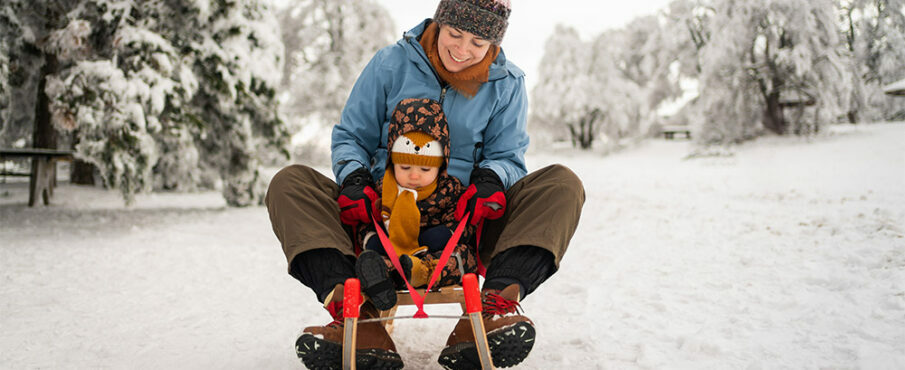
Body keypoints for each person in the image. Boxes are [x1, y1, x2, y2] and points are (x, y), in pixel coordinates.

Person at [265, 0, 585, 368]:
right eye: (455, 33)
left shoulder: (507, 84)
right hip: (378, 216)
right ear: (440, 21)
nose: (463, 50)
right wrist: (354, 178)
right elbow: (352, 135)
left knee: (562, 184)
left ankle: (490, 312)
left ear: (494, 44)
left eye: (478, 43)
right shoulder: (390, 64)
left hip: (464, 223)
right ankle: (355, 316)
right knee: (290, 184)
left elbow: (508, 154)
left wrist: (490, 178)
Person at [355, 97, 478, 311]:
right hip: (393, 251)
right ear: (392, 163)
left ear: (440, 167)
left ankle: (417, 272)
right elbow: (366, 223)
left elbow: (465, 227)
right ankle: (382, 279)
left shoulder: (449, 190)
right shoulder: (383, 190)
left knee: (462, 256)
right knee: (373, 258)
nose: (414, 176)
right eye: (404, 168)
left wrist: (445, 233)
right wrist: (371, 239)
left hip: (433, 254)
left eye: (424, 170)